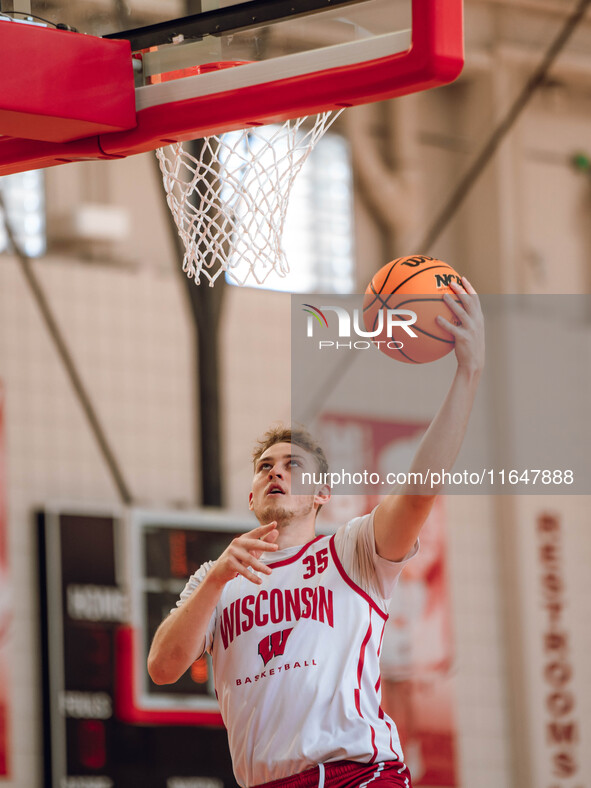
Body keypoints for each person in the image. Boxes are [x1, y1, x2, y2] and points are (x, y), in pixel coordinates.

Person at [148, 279, 485, 788]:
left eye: (292, 465)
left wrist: (468, 372)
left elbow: (418, 494)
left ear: (322, 493)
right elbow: (162, 667)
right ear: (251, 497)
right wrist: (216, 578)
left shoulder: (352, 550)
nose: (275, 473)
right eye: (264, 467)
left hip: (358, 773)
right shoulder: (216, 579)